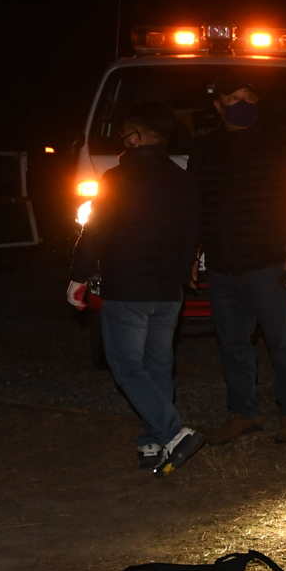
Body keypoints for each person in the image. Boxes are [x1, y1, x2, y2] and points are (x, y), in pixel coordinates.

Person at [67, 98, 204, 475]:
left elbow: (95, 231)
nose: (122, 137)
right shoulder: (184, 180)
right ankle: (154, 443)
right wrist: (181, 271)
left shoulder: (117, 179)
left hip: (128, 287)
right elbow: (192, 234)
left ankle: (175, 433)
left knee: (127, 366)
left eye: (126, 131)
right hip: (168, 291)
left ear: (141, 134)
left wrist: (79, 276)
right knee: (157, 366)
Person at [192, 78, 286, 445]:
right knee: (231, 343)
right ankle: (243, 414)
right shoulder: (205, 148)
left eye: (249, 97)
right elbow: (195, 204)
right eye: (233, 98)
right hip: (223, 264)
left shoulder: (280, 142)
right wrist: (192, 252)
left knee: (283, 341)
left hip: (269, 262)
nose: (241, 104)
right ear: (217, 105)